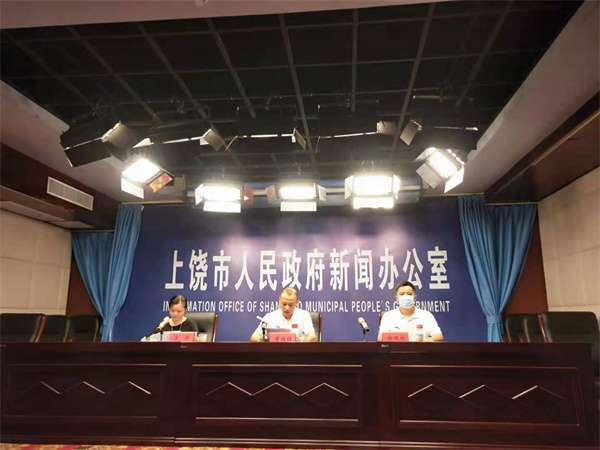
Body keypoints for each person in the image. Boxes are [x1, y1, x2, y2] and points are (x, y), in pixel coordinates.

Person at [377, 281, 444, 342]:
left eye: (409, 294)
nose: (405, 297)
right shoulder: (388, 316)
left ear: (414, 298)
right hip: (396, 351)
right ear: (397, 299)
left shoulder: (426, 316)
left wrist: (422, 342)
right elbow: (380, 340)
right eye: (402, 294)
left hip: (419, 351)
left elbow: (439, 337)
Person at [250, 286, 316, 342]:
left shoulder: (304, 315)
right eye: (284, 304)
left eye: (290, 305)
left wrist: (301, 340)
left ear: (297, 302)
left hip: (296, 351)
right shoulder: (270, 317)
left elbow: (313, 337)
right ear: (279, 300)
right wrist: (261, 339)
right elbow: (254, 337)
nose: (287, 308)